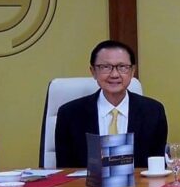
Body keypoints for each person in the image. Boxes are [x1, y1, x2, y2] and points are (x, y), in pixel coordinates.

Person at [55, 40, 168, 168]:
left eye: (122, 67)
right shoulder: (69, 114)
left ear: (132, 71)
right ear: (93, 71)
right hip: (85, 181)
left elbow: (157, 168)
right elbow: (64, 170)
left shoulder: (153, 112)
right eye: (105, 67)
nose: (114, 74)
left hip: (138, 182)